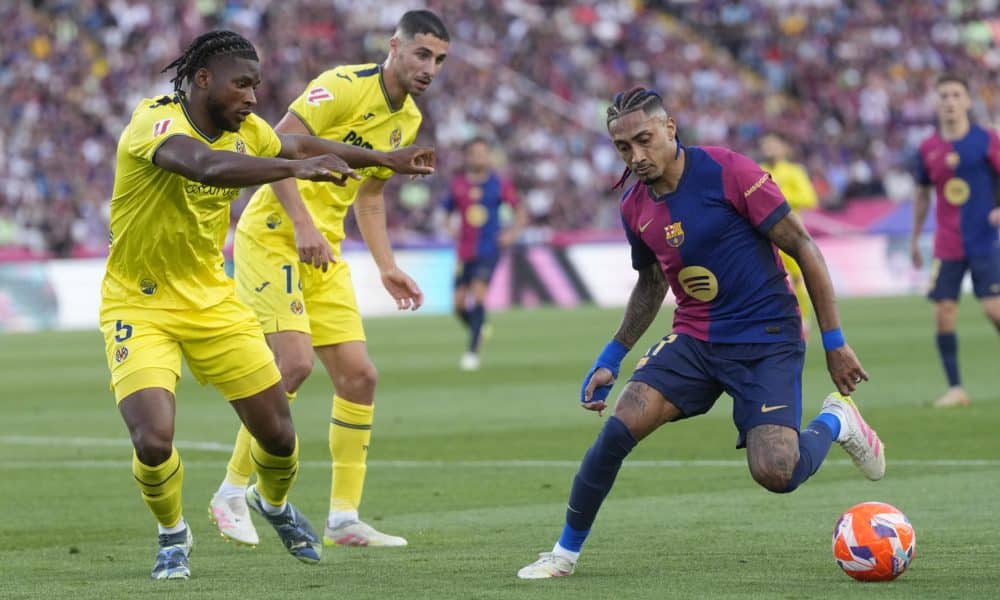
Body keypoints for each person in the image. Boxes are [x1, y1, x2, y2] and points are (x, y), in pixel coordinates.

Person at [100, 30, 434, 580]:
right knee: (153, 439)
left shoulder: (248, 131)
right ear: (203, 79)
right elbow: (205, 166)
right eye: (242, 85)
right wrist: (293, 170)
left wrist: (383, 159)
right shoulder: (154, 121)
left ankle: (273, 503)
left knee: (279, 437)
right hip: (139, 303)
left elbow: (297, 145)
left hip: (213, 300)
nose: (253, 98)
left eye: (256, 86)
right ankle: (172, 534)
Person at [516, 87, 885, 580]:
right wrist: (612, 354)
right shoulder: (634, 206)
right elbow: (651, 284)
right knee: (617, 429)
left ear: (670, 128)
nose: (636, 156)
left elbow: (804, 247)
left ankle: (836, 420)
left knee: (777, 472)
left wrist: (834, 343)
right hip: (695, 338)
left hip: (766, 336)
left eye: (644, 140)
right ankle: (563, 555)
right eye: (623, 147)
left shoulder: (729, 171)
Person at [208, 10, 450, 549]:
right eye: (422, 54)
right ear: (394, 47)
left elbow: (370, 196)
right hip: (275, 234)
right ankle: (231, 491)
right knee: (293, 364)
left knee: (360, 376)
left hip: (325, 250)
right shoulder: (342, 84)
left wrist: (386, 265)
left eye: (438, 60)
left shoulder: (408, 120)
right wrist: (301, 224)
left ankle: (343, 518)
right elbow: (278, 145)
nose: (430, 68)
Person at [910, 73, 1000, 408]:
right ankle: (956, 389)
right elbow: (922, 194)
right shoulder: (928, 148)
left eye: (956, 95)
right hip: (948, 242)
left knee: (994, 310)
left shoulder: (986, 139)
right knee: (944, 312)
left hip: (985, 238)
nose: (949, 101)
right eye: (944, 95)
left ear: (967, 101)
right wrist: (915, 237)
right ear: (936, 102)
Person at [443, 137, 526, 371]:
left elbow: (520, 210)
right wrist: (449, 228)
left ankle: (472, 353)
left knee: (478, 295)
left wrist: (512, 234)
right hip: (464, 251)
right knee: (458, 304)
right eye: (475, 153)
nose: (480, 157)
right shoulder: (458, 184)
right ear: (468, 157)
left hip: (489, 249)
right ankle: (479, 327)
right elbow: (446, 212)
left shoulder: (498, 184)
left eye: (483, 153)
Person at [759, 132, 819, 336]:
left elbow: (809, 198)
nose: (768, 148)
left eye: (773, 144)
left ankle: (804, 323)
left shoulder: (794, 171)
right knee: (766, 281)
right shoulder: (758, 170)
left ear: (785, 148)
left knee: (798, 279)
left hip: (791, 234)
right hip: (765, 235)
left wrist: (778, 196)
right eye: (766, 144)